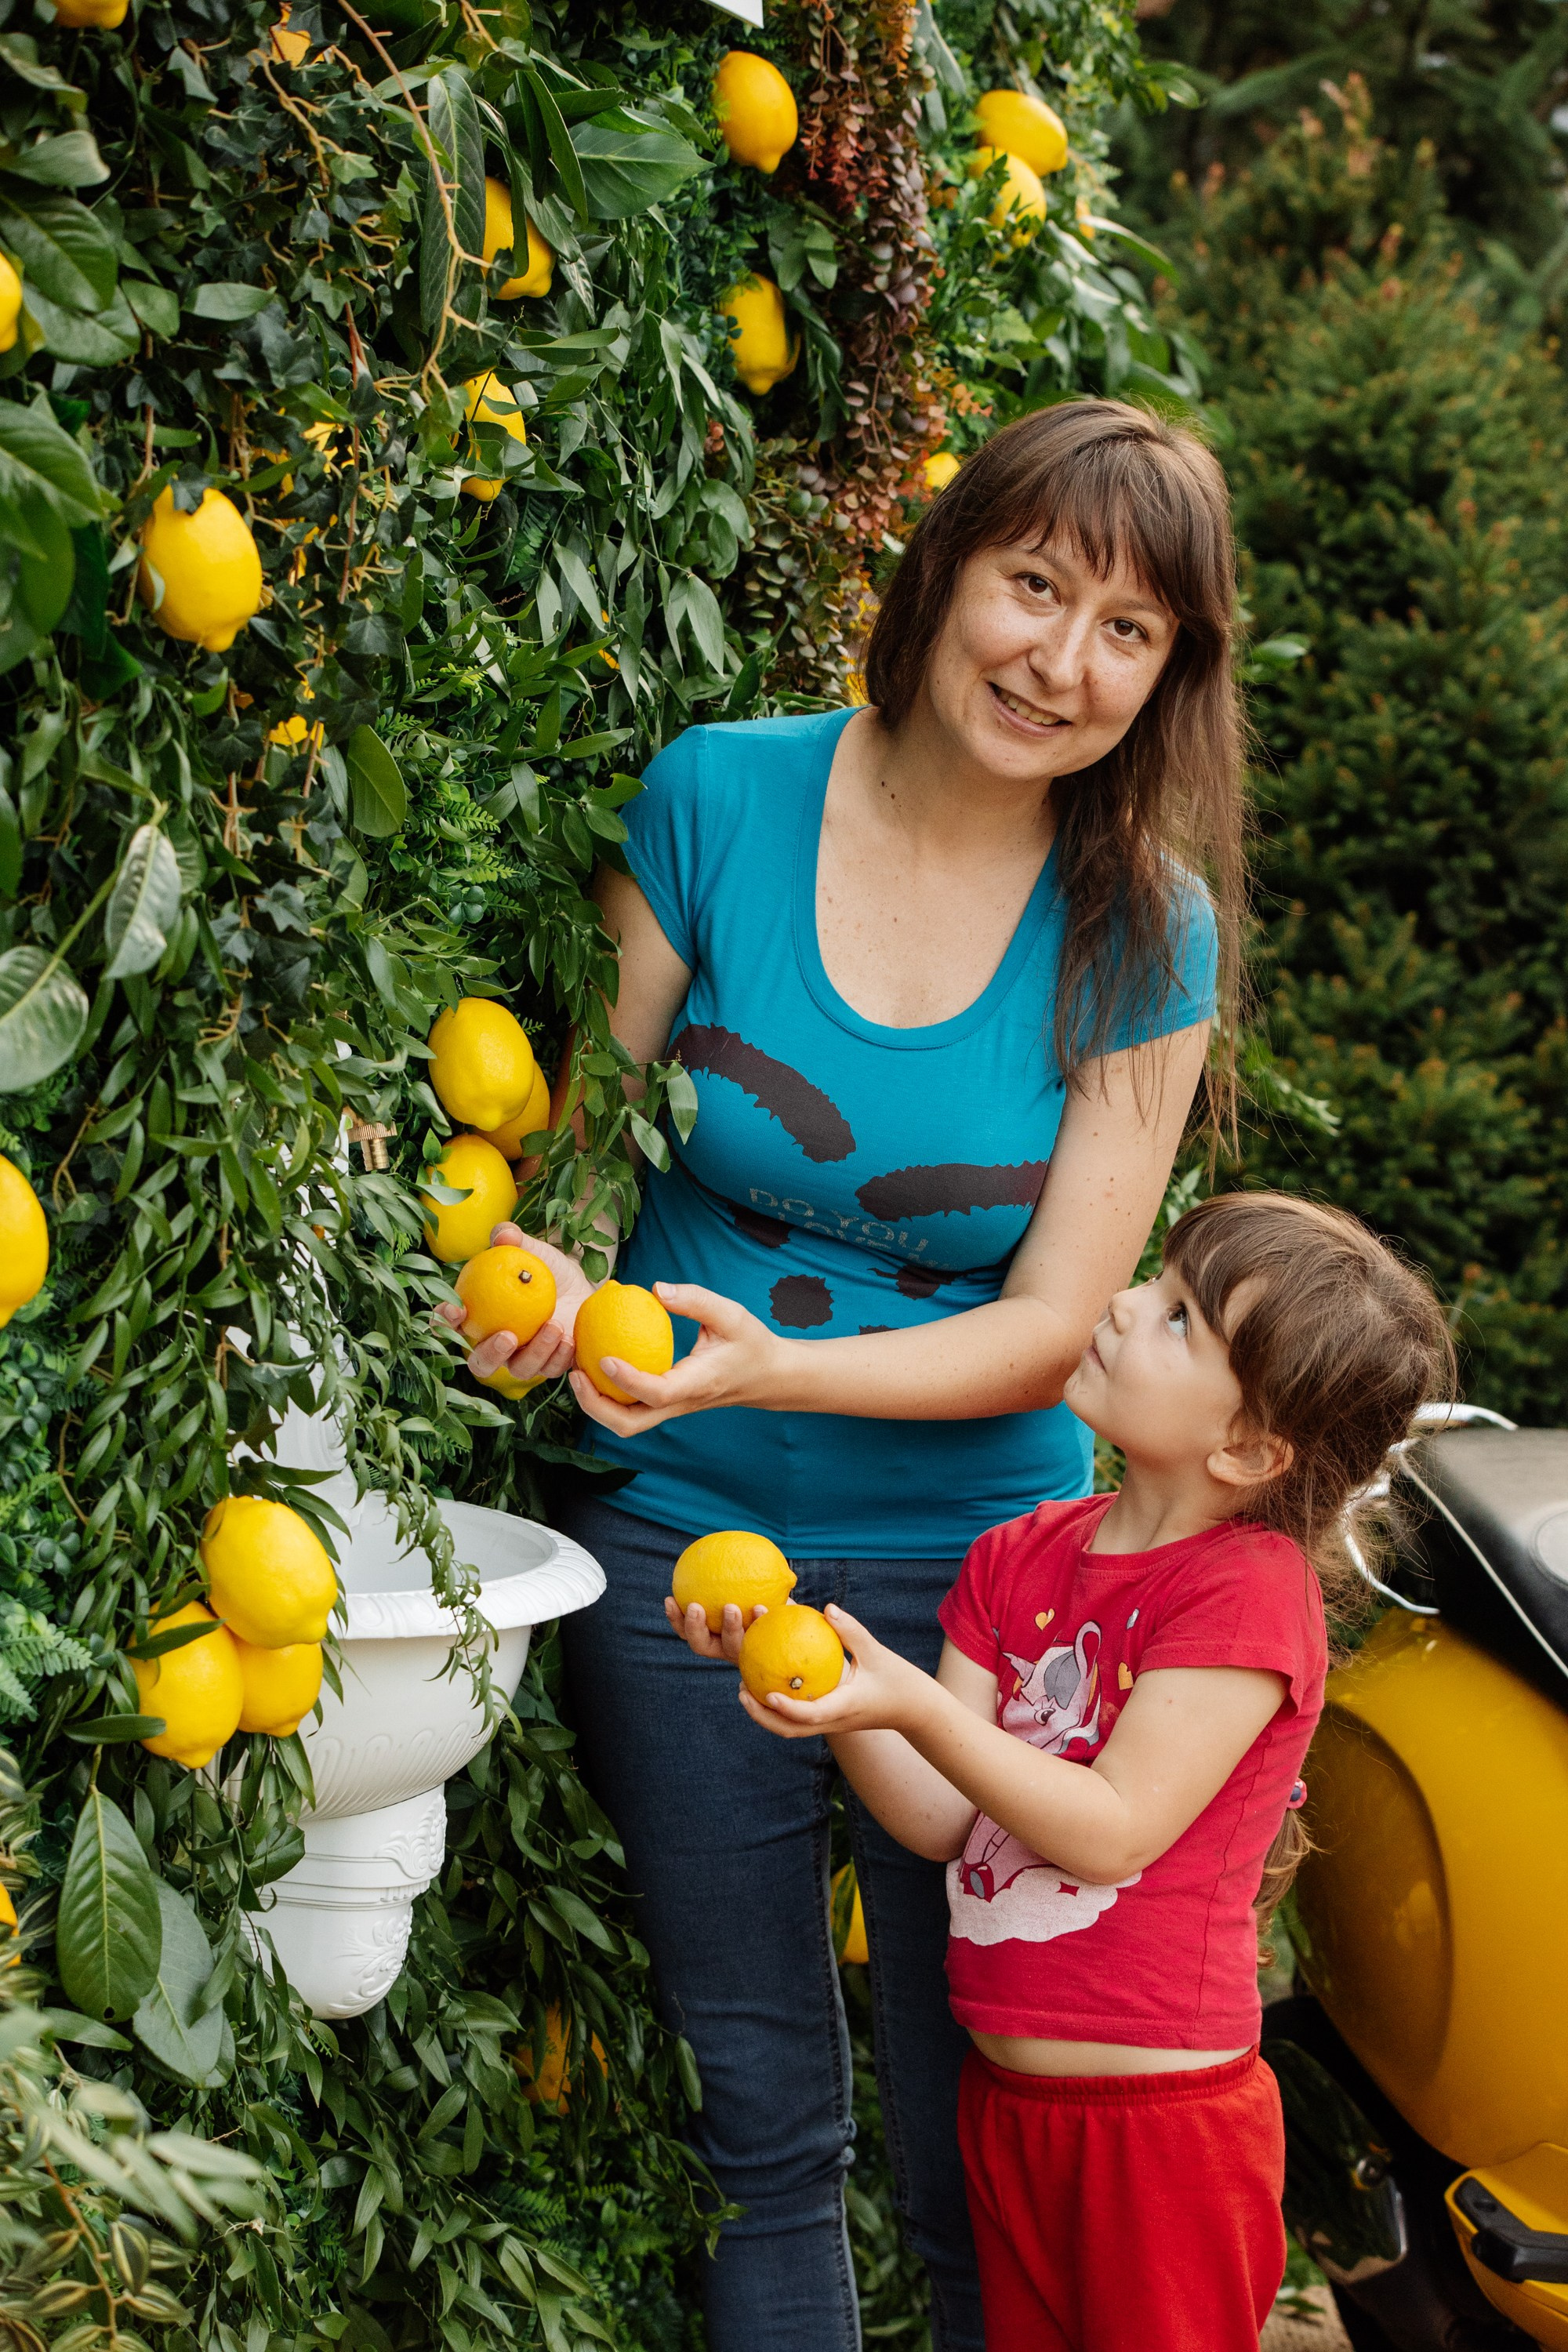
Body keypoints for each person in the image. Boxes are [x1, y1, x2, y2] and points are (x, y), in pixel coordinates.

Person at [445, 400, 1246, 2352]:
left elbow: (1054, 1323)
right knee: (757, 2121)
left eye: (1126, 631)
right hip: (675, 1550)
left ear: (1169, 676)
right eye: (1033, 586)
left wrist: (763, 1379)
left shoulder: (1145, 931)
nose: (1060, 662)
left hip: (992, 1600)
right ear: (945, 568)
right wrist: (545, 1285)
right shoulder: (718, 797)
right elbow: (580, 1146)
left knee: (978, 2128)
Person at [695, 1192, 1457, 2350]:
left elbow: (1110, 1829)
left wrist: (908, 1701)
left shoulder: (1247, 1593)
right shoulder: (1016, 1556)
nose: (1125, 1303)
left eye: (1180, 1317)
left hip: (1163, 2131)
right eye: (1158, 1280)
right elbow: (941, 1818)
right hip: (1012, 2107)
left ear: (1247, 1447)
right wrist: (834, 1697)